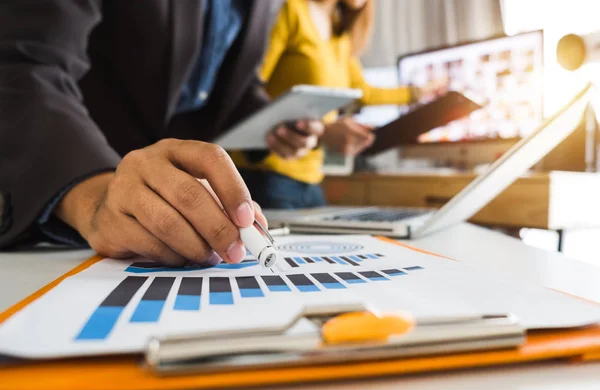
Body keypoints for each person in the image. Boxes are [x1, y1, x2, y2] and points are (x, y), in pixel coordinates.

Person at [0, 0, 324, 266]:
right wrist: (95, 196)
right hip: (72, 183)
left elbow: (228, 86)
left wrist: (273, 122)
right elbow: (26, 63)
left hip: (183, 210)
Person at [232, 0, 424, 209]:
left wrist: (419, 93)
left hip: (312, 179)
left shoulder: (339, 36)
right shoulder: (292, 10)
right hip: (267, 175)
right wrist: (322, 131)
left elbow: (364, 93)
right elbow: (245, 89)